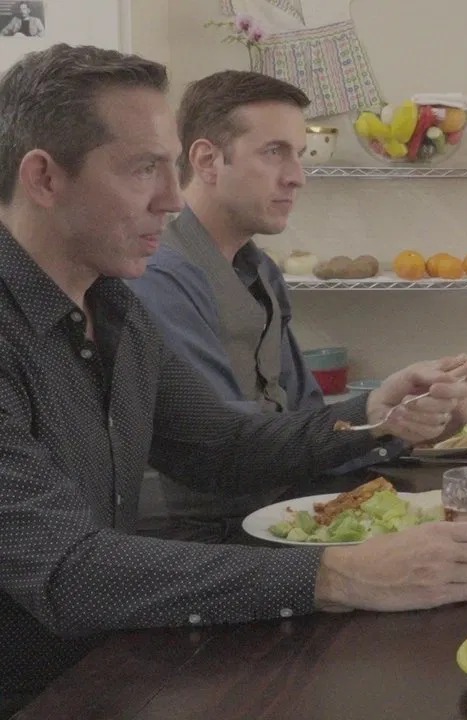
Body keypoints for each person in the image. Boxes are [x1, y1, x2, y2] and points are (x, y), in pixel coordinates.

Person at [0, 44, 467, 710]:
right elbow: (68, 570)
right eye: (142, 170)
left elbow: (223, 446)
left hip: (110, 658)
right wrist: (338, 574)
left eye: (170, 166)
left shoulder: (115, 307)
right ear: (44, 178)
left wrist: (376, 419)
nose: (169, 199)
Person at [126, 70, 387, 542]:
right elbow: (224, 452)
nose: (297, 177)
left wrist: (399, 422)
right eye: (274, 152)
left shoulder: (260, 270)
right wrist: (377, 417)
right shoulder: (161, 278)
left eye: (300, 156)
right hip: (197, 540)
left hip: (277, 510)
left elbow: (306, 415)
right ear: (207, 160)